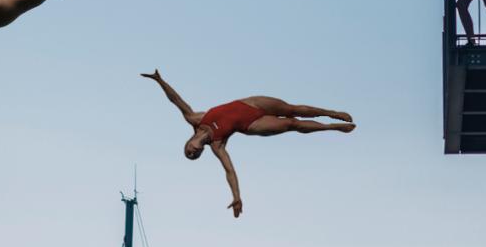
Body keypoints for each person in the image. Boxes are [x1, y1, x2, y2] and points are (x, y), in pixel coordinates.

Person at [140, 70, 354, 218]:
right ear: (200, 152)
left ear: (188, 142)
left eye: (188, 152)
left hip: (250, 103)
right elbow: (230, 171)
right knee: (292, 124)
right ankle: (333, 129)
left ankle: (332, 113)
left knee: (292, 109)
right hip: (251, 123)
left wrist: (160, 80)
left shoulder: (195, 119)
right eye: (194, 156)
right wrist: (236, 197)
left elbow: (175, 100)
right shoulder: (217, 144)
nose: (193, 153)